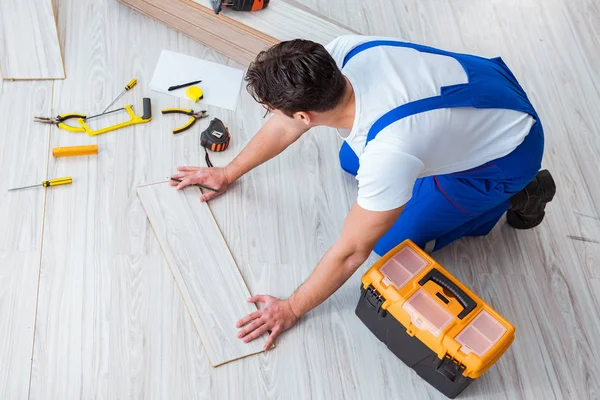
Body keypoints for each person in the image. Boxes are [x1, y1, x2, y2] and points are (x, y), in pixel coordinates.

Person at [169, 35, 556, 351]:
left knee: (388, 241)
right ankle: (423, 174)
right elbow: (285, 126)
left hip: (506, 151)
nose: (275, 115)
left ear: (306, 116)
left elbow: (351, 252)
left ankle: (523, 193)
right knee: (350, 161)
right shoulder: (341, 54)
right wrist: (228, 172)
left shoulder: (389, 153)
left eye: (275, 108)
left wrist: (290, 308)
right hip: (477, 90)